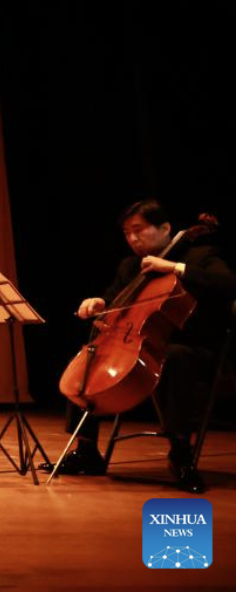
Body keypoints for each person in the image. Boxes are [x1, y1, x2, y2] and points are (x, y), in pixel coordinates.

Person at [58, 199, 235, 492]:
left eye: (138, 230)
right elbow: (114, 304)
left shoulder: (201, 254)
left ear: (165, 228)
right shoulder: (131, 267)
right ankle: (86, 450)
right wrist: (99, 303)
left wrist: (176, 267)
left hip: (193, 348)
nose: (132, 239)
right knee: (91, 351)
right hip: (141, 344)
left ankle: (180, 452)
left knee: (177, 358)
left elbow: (228, 284)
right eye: (127, 233)